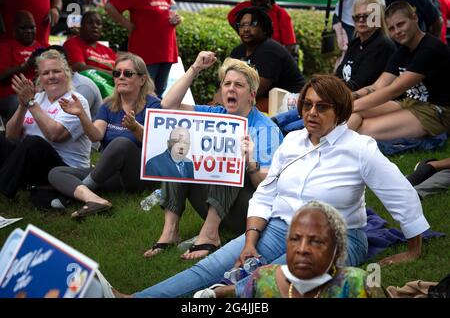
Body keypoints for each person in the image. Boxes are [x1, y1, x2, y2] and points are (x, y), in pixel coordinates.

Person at [128, 74, 428, 298]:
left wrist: (413, 249)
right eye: (307, 105)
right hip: (279, 226)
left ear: (340, 112)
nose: (311, 113)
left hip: (338, 237)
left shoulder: (360, 148)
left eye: (322, 107)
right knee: (211, 265)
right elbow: (267, 192)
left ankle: (226, 293)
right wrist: (249, 240)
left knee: (280, 275)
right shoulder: (293, 141)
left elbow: (399, 192)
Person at [142, 52, 283, 260]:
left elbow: (271, 189)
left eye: (239, 85)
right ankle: (170, 231)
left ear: (252, 95)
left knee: (228, 154)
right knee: (178, 152)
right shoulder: (216, 115)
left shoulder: (266, 129)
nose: (231, 89)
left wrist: (250, 162)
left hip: (250, 215)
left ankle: (210, 234)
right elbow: (168, 106)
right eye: (227, 84)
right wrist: (195, 68)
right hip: (214, 203)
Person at [48, 53, 161, 217]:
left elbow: (156, 145)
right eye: (117, 73)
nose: (121, 77)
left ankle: (73, 196)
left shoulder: (154, 106)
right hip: (110, 175)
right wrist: (81, 114)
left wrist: (135, 128)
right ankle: (94, 199)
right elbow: (95, 136)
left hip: (139, 176)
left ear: (142, 79)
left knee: (121, 143)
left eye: (127, 73)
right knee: (56, 172)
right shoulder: (108, 104)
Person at [197, 201, 375, 298]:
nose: (302, 249)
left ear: (336, 249)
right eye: (295, 240)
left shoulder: (356, 284)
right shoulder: (263, 280)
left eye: (316, 241)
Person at [348, 1, 450, 141]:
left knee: (363, 129)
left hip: (437, 111)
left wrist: (348, 106)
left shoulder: (430, 49)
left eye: (401, 24)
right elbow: (377, 87)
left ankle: (330, 149)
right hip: (410, 103)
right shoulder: (402, 51)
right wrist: (352, 96)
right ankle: (327, 151)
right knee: (354, 115)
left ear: (414, 17)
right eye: (391, 28)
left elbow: (393, 90)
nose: (397, 32)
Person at [0, 49, 91, 199]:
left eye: (56, 71)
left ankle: (4, 186)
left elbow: (55, 134)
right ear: (39, 77)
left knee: (33, 142)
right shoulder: (37, 98)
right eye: (46, 73)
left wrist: (30, 102)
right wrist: (23, 105)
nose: (51, 77)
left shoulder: (76, 100)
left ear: (67, 72)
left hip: (65, 170)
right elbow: (11, 135)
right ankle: (10, 181)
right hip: (35, 164)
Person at [229, 6, 305, 113]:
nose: (246, 29)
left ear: (264, 28)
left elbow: (255, 90)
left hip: (289, 101)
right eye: (241, 25)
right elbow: (226, 83)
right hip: (261, 98)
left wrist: (226, 102)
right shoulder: (237, 51)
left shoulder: (270, 50)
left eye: (253, 24)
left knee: (243, 108)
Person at [105, 0, 181, 98]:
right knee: (143, 92)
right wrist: (126, 24)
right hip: (145, 53)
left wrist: (177, 19)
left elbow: (172, 8)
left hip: (167, 52)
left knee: (159, 92)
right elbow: (109, 6)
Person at [335, 0, 397, 91]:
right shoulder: (355, 44)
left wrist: (332, 89)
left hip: (367, 101)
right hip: (347, 96)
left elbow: (360, 84)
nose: (361, 20)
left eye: (367, 16)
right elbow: (338, 74)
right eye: (357, 17)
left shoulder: (382, 45)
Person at [0, 11, 49, 124]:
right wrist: (25, 66)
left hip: (42, 93)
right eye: (23, 28)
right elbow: (1, 75)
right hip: (12, 96)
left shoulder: (45, 47)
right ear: (14, 30)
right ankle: (13, 139)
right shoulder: (6, 47)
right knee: (17, 102)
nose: (28, 31)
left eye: (32, 27)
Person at [227, 0, 298, 56]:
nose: (258, 4)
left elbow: (290, 45)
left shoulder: (280, 13)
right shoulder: (246, 6)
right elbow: (231, 17)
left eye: (261, 0)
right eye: (254, 0)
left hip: (271, 57)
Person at [63, 11, 117, 76]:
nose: (95, 26)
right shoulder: (72, 44)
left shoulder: (108, 51)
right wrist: (114, 74)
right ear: (81, 26)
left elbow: (121, 70)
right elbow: (80, 69)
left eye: (98, 23)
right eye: (90, 23)